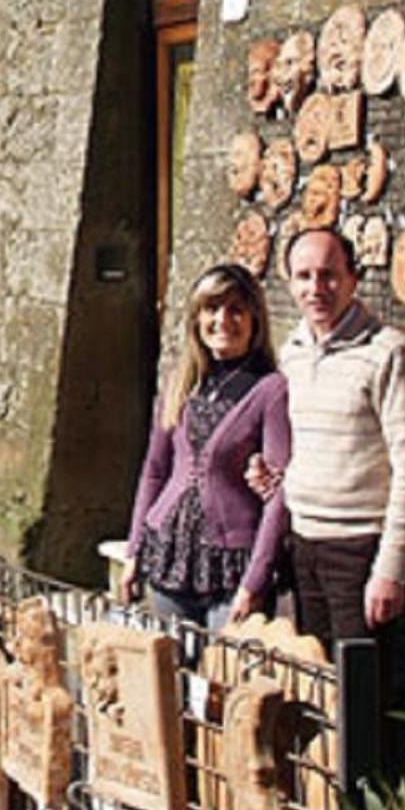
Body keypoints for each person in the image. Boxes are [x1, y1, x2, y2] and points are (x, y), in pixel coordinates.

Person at [267, 226, 405, 654]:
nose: (316, 288)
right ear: (289, 283)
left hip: (360, 550)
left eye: (329, 274)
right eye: (303, 276)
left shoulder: (391, 354)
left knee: (362, 699)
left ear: (353, 279)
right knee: (316, 685)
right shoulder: (291, 355)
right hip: (302, 545)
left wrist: (391, 571)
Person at [119, 262, 290, 630]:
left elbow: (279, 493)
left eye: (236, 310)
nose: (223, 320)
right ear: (197, 318)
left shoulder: (271, 390)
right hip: (167, 556)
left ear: (254, 320)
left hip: (232, 569)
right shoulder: (180, 386)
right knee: (170, 677)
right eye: (212, 309)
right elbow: (155, 470)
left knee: (228, 682)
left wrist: (255, 580)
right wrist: (134, 551)